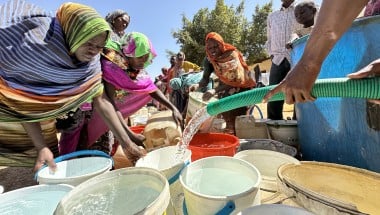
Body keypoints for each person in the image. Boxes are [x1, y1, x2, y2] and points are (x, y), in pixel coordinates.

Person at [0, 0, 142, 173]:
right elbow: (23, 100)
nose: (93, 50)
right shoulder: (35, 51)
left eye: (98, 47)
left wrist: (128, 145)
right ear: (74, 34)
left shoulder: (91, 63)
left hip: (62, 108)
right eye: (89, 43)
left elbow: (102, 99)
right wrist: (40, 146)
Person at [58, 32, 183, 165]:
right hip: (88, 108)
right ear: (129, 53)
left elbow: (151, 89)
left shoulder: (134, 67)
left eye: (146, 58)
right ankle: (70, 169)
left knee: (105, 148)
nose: (143, 62)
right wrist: (130, 136)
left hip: (106, 112)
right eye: (140, 57)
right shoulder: (112, 65)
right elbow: (110, 104)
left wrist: (173, 108)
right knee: (79, 145)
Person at [263, 0, 372, 105]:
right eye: (297, 15)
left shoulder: (302, 6)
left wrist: (307, 65)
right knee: (282, 91)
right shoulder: (273, 16)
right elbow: (270, 38)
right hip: (282, 58)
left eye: (302, 13)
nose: (299, 16)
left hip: (306, 59)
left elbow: (332, 20)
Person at [190, 32, 256, 134]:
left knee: (239, 120)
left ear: (221, 44)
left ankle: (239, 137)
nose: (213, 50)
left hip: (242, 89)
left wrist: (214, 90)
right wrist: (197, 85)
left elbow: (238, 80)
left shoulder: (231, 55)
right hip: (224, 90)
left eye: (216, 46)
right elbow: (205, 79)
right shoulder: (209, 59)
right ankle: (231, 135)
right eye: (209, 48)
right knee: (227, 117)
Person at [265, 0, 303, 120]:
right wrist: (271, 54)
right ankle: (274, 125)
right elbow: (269, 38)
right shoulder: (273, 16)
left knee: (299, 93)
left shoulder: (302, 9)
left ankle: (299, 123)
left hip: (298, 58)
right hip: (277, 60)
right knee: (273, 95)